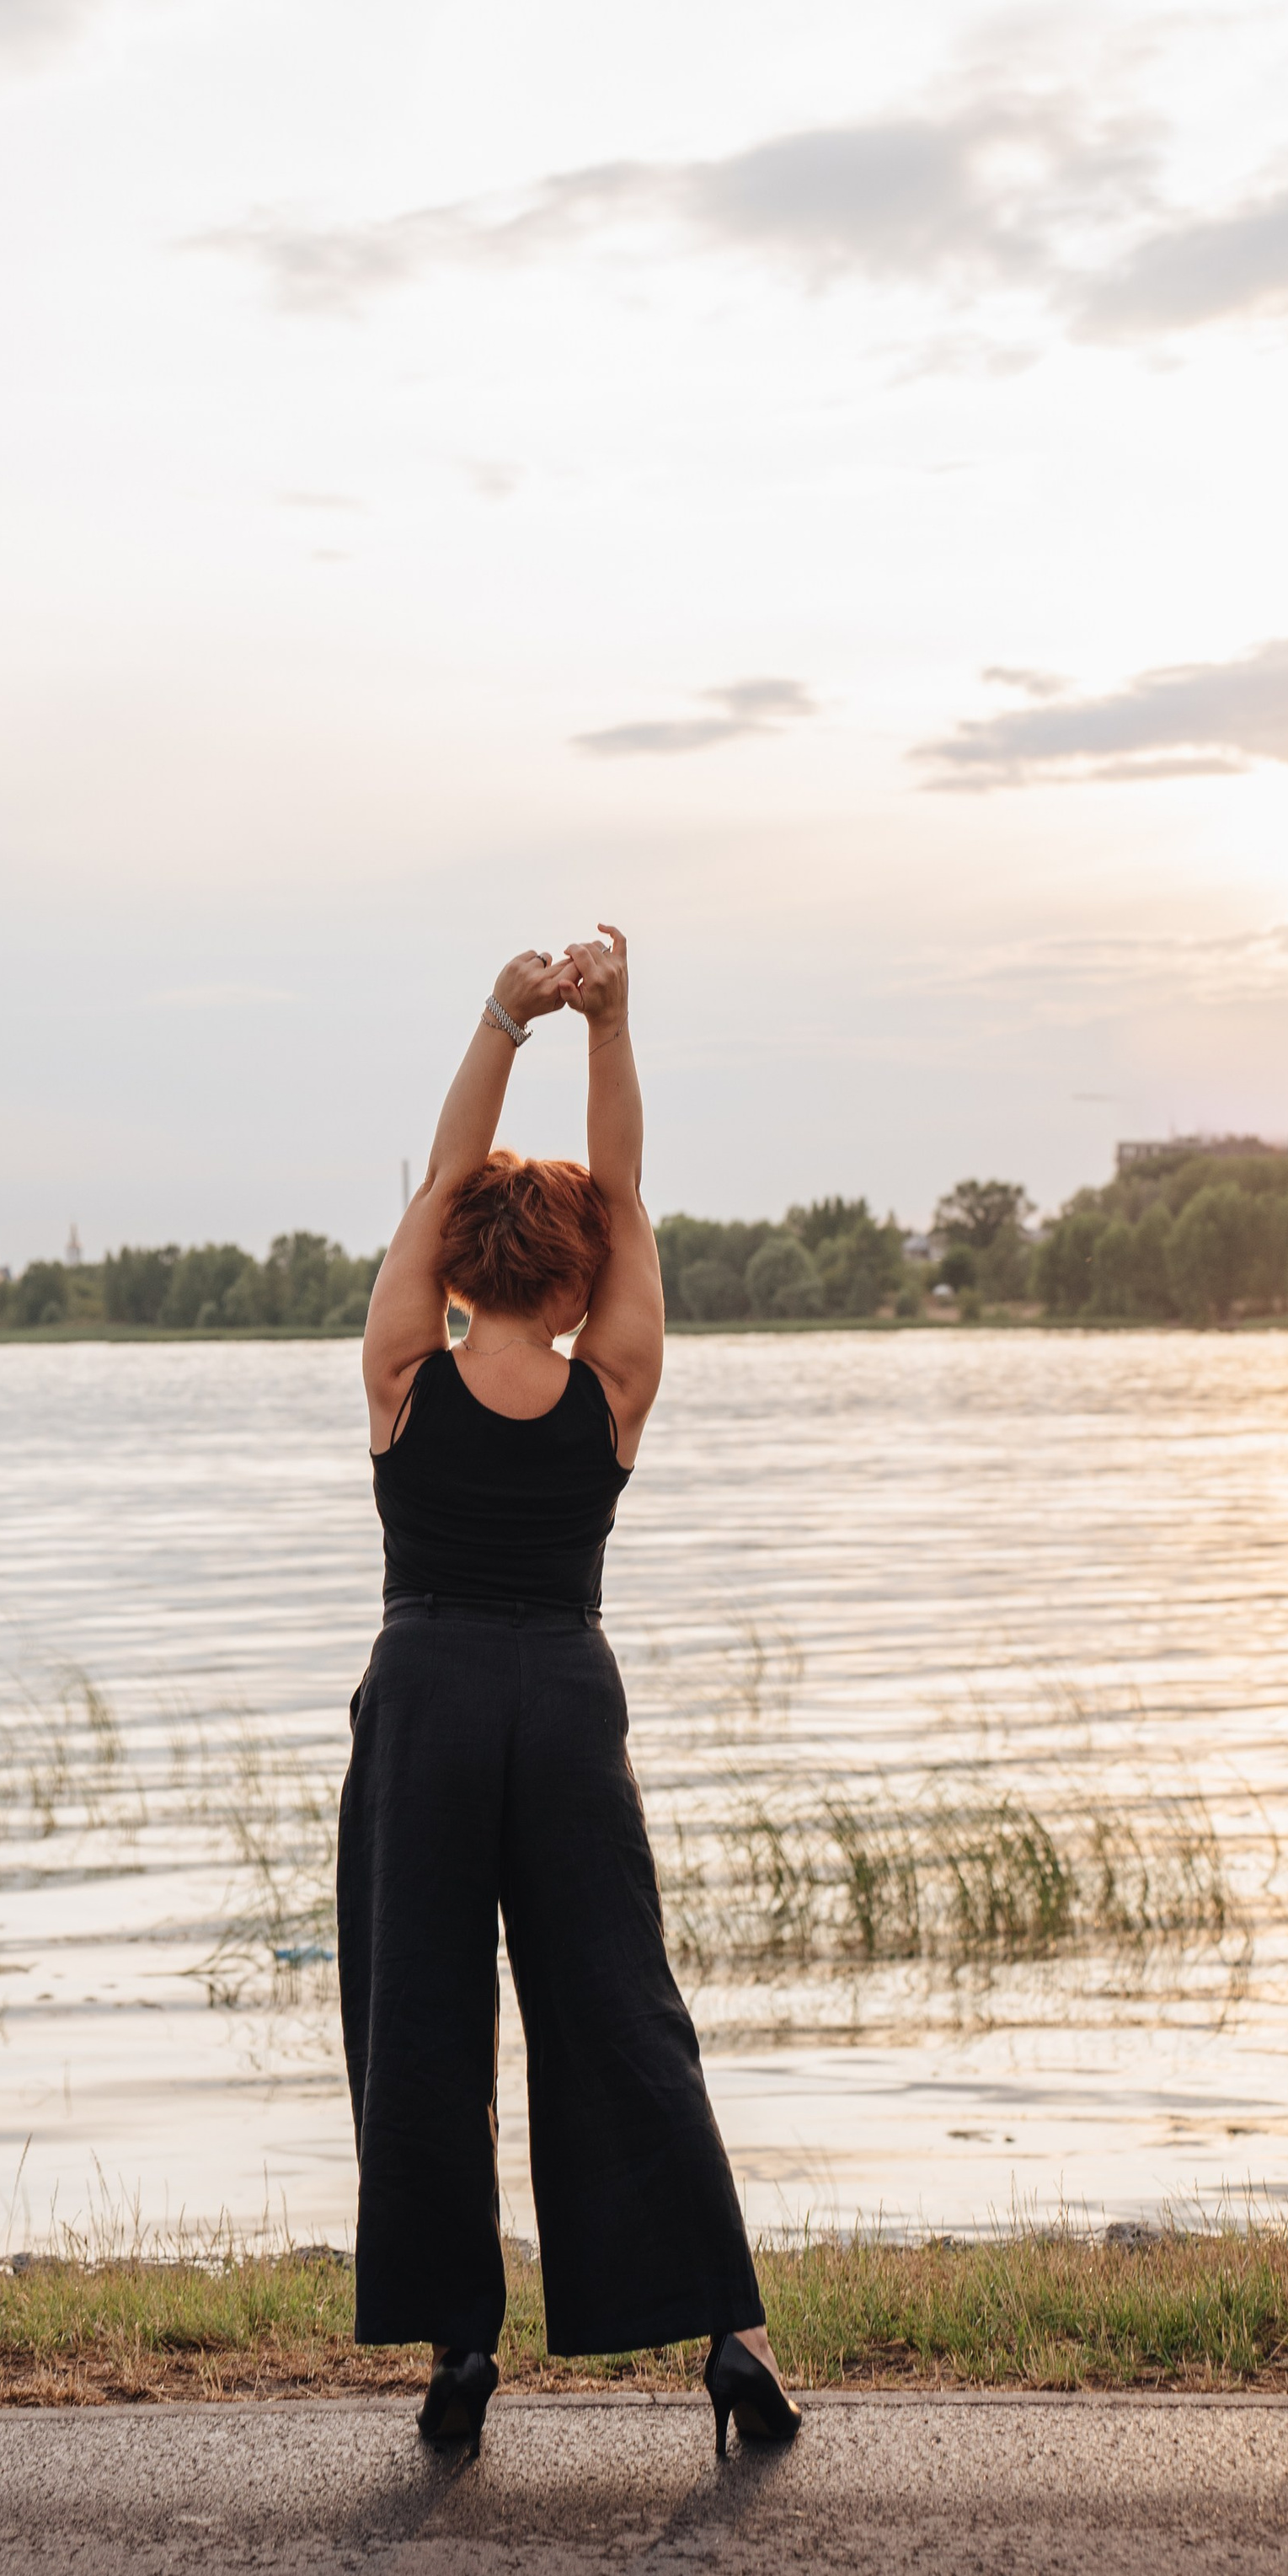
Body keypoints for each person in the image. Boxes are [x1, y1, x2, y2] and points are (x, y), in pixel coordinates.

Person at [338, 926, 799, 2459]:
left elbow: (434, 1181)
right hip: (565, 1691)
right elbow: (628, 1189)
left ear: (461, 1262)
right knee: (619, 2012)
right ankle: (729, 2339)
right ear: (584, 1269)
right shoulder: (616, 1386)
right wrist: (614, 1027)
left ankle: (464, 2347)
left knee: (426, 2015)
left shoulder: (409, 1369)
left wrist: (502, 1015)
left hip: (429, 1693)